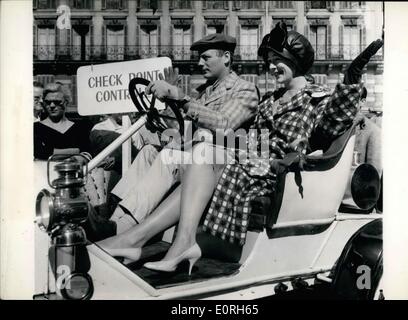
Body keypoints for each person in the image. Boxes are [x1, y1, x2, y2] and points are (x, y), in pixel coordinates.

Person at [98, 23, 380, 274]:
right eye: (269, 61)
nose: (270, 67)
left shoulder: (317, 98)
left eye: (277, 61)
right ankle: (146, 240)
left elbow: (331, 125)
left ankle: (145, 240)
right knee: (202, 154)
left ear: (293, 61)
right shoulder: (270, 99)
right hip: (251, 162)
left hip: (279, 172)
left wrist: (351, 81)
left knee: (206, 154)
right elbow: (249, 137)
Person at [91, 33, 259, 237]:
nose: (199, 63)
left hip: (224, 165)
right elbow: (182, 128)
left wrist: (179, 96)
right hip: (197, 157)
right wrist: (159, 111)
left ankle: (123, 228)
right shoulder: (205, 92)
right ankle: (113, 219)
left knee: (169, 157)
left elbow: (224, 123)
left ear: (225, 57)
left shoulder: (245, 89)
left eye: (205, 57)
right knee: (149, 152)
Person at [33, 82, 93, 160]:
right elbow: (41, 152)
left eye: (57, 102)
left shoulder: (79, 128)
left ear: (66, 102)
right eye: (48, 102)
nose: (52, 106)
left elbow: (88, 151)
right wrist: (77, 151)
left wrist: (80, 157)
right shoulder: (36, 128)